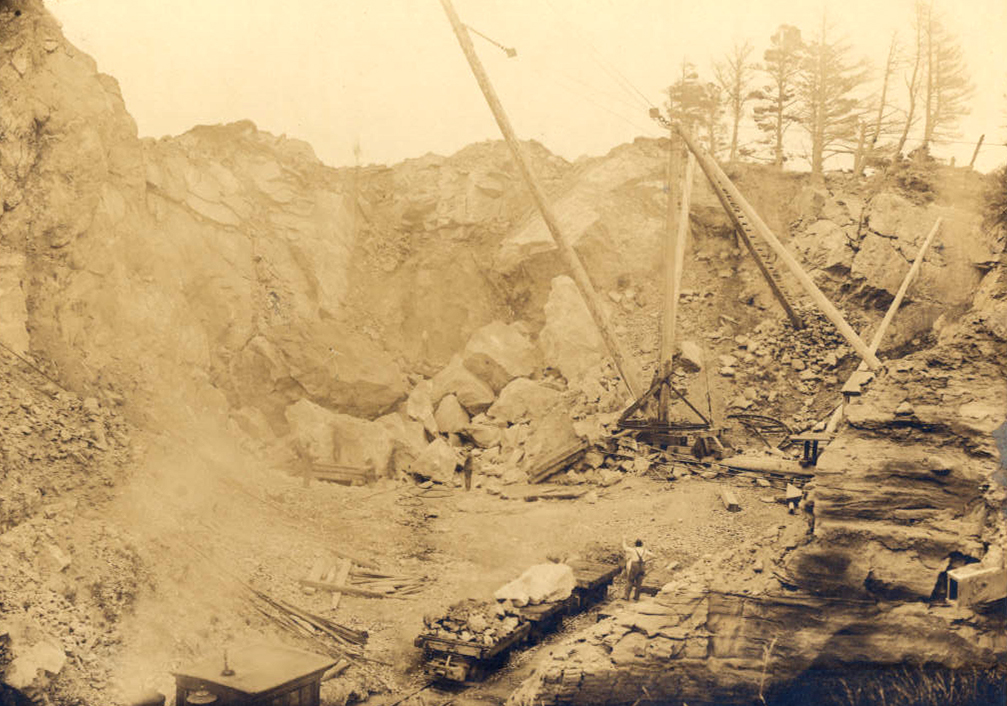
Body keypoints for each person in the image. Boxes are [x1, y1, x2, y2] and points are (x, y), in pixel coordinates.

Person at [622, 537, 653, 601]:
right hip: (642, 566)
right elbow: (655, 556)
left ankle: (626, 596)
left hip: (634, 565)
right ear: (642, 544)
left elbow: (625, 548)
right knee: (639, 583)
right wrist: (646, 560)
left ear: (635, 544)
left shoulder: (633, 550)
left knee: (630, 581)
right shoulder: (645, 551)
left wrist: (624, 540)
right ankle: (636, 597)